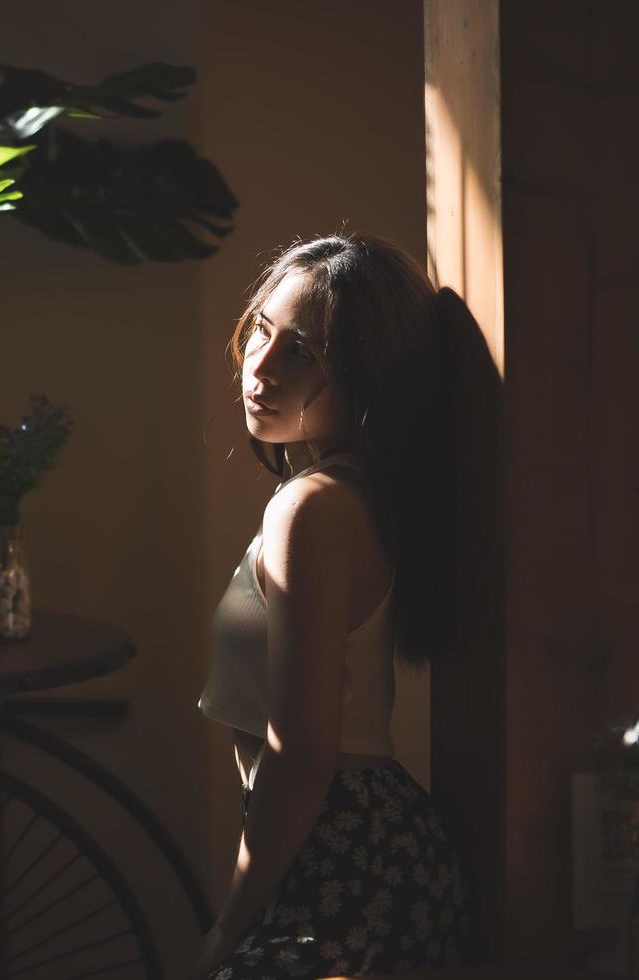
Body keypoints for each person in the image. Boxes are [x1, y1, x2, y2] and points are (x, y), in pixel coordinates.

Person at [189, 233, 472, 977]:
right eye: (260, 331)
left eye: (303, 352)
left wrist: (228, 926)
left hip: (341, 849)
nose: (261, 365)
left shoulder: (309, 509)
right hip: (370, 840)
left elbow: (301, 751)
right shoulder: (358, 496)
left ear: (368, 374)